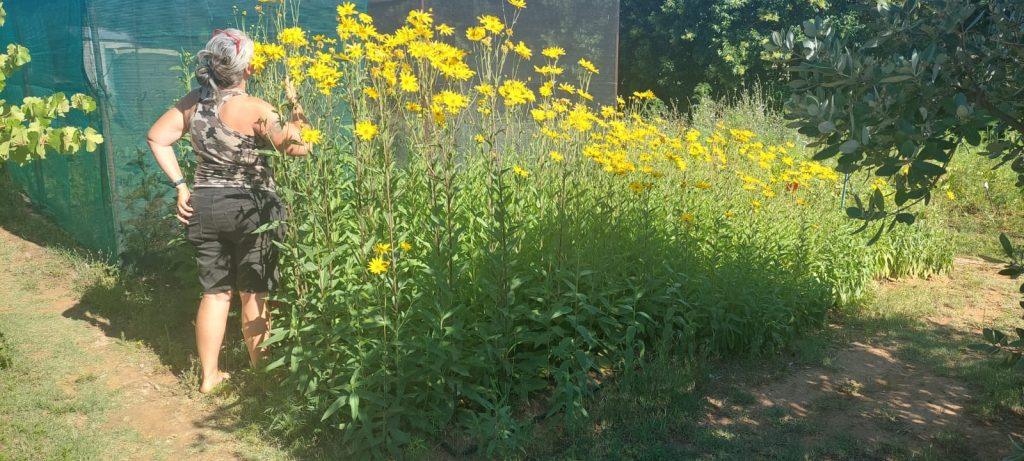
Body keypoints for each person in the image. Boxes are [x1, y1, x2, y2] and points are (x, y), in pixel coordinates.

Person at [146, 28, 309, 393]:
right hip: (253, 209)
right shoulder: (256, 108)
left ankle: (209, 377)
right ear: (249, 69)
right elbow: (299, 148)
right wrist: (295, 104)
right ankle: (264, 376)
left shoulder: (193, 103)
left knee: (215, 293)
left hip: (204, 205)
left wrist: (180, 185)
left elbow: (157, 137)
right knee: (254, 293)